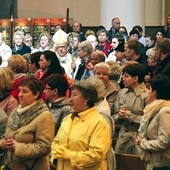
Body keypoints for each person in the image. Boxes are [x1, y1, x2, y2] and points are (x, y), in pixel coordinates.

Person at [50, 80, 111, 170]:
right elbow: (56, 142)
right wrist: (56, 153)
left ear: (87, 98)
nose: (70, 99)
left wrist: (70, 155)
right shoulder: (68, 118)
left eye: (74, 95)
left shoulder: (99, 122)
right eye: (70, 95)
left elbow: (98, 154)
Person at [0, 75, 54, 170]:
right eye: (20, 90)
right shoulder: (16, 111)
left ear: (36, 94)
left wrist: (17, 147)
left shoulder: (44, 116)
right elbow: (6, 135)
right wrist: (2, 143)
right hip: (11, 166)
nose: (20, 94)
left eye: (25, 91)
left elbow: (44, 147)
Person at [113, 63, 149, 155]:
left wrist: (129, 116)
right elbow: (114, 113)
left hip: (137, 138)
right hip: (120, 136)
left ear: (135, 78)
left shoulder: (147, 96)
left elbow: (149, 121)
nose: (123, 79)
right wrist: (118, 116)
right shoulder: (122, 92)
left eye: (126, 76)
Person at [137, 74, 170, 170]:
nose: (148, 92)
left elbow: (165, 142)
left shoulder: (165, 111)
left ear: (154, 93)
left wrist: (143, 143)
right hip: (154, 162)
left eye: (149, 89)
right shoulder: (155, 108)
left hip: (162, 164)